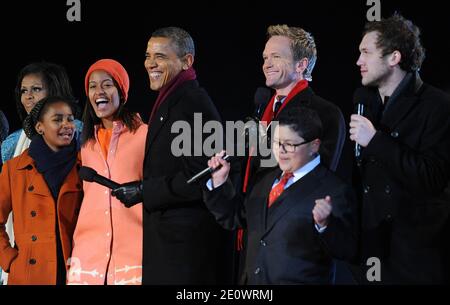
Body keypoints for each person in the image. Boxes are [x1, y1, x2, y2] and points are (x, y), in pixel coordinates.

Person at [112, 27, 230, 284]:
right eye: (147, 55)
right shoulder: (172, 99)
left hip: (185, 253)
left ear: (187, 61)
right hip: (168, 246)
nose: (150, 64)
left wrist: (145, 191)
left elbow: (202, 176)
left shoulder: (193, 103)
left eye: (161, 57)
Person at [347, 13, 450, 284]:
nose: (359, 61)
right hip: (369, 251)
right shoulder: (363, 101)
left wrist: (376, 141)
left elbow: (432, 177)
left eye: (366, 52)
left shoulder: (436, 105)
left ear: (394, 58)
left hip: (413, 257)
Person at [203, 107, 356, 284]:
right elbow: (236, 217)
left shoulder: (334, 189)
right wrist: (219, 182)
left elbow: (347, 250)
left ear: (314, 145)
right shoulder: (264, 179)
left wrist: (325, 225)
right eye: (276, 142)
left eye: (289, 144)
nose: (280, 150)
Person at [0, 62, 83, 284]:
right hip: (28, 267)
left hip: (75, 263)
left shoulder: (81, 136)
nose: (28, 97)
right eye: (24, 91)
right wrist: (8, 259)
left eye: (36, 89)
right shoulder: (11, 145)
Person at [67, 59, 147, 285]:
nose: (98, 91)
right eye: (92, 86)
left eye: (107, 84)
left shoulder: (144, 136)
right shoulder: (85, 144)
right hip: (87, 263)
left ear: (121, 91)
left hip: (132, 261)